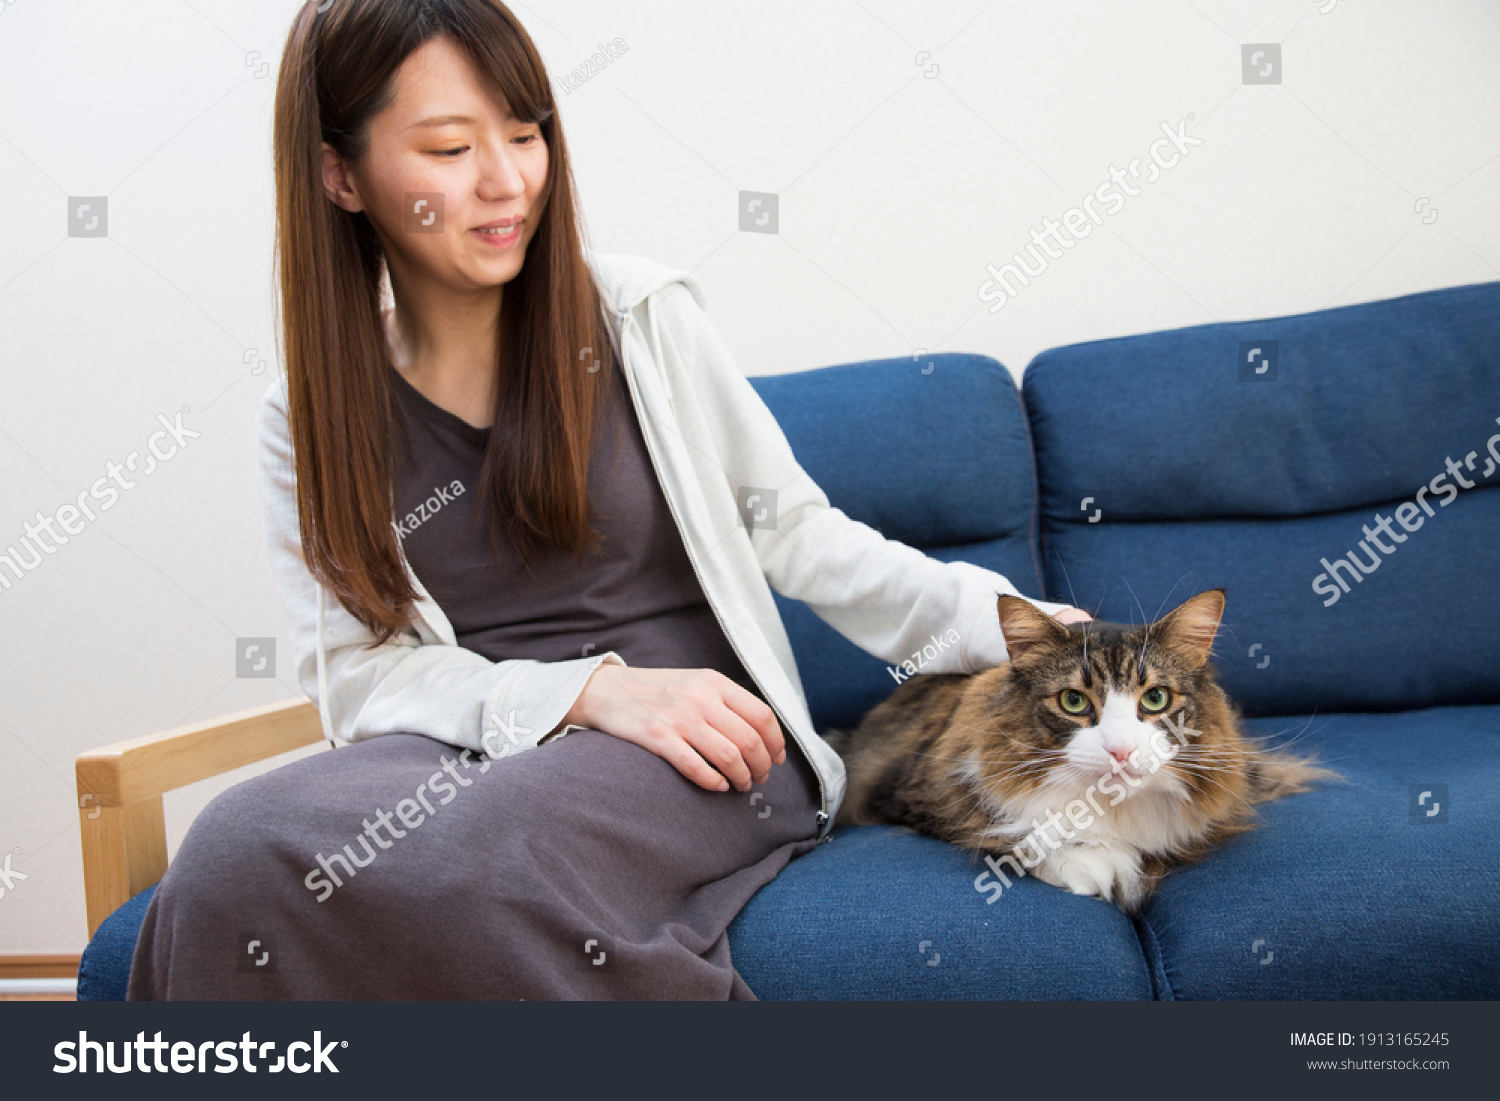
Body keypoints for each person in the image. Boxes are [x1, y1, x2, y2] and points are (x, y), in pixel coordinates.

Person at [128, 0, 1090, 1000]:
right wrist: (581, 692)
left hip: (709, 742)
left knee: (497, 855)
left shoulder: (636, 317)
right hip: (465, 750)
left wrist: (1009, 626)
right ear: (340, 174)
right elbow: (360, 677)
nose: (508, 181)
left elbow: (801, 536)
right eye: (452, 147)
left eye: (525, 131)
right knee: (231, 847)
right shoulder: (309, 409)